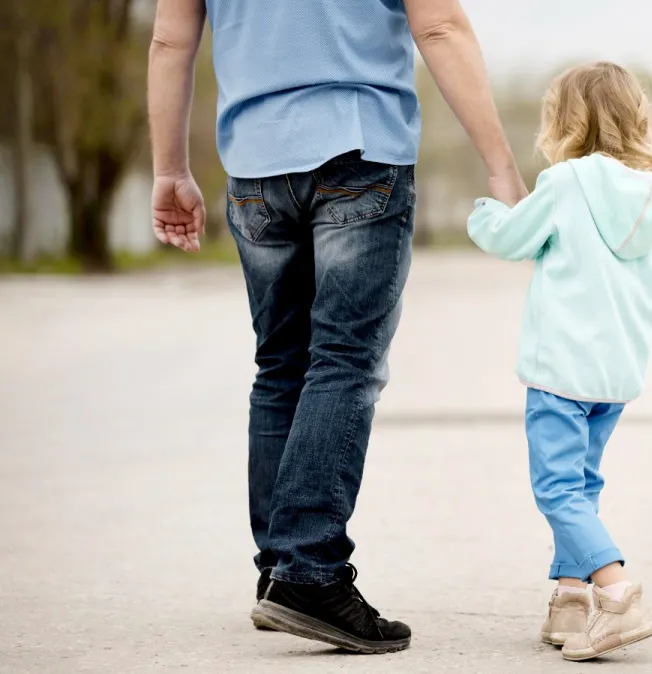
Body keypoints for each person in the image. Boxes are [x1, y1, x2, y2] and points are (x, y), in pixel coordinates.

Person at [146, 0, 526, 654]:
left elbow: (169, 43)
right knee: (344, 361)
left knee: (281, 366)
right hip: (359, 148)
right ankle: (309, 572)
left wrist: (170, 169)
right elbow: (440, 26)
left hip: (255, 166)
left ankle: (280, 570)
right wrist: (501, 167)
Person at [466, 62, 652, 662]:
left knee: (558, 490)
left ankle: (617, 593)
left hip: (560, 371)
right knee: (582, 484)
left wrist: (485, 211)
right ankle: (571, 598)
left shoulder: (564, 183)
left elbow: (510, 238)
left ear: (563, 121)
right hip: (614, 375)